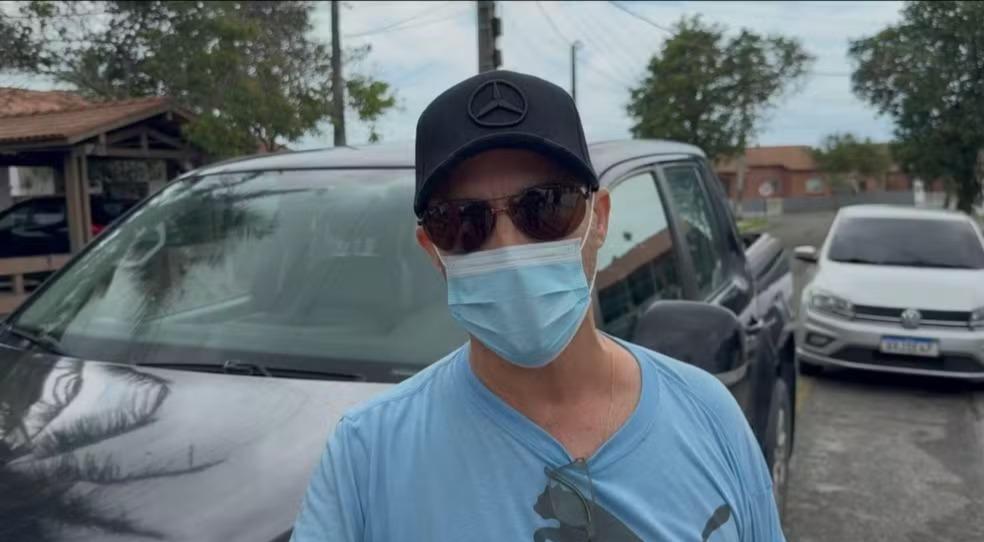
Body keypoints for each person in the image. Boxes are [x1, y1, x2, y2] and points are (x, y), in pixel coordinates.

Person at [291, 70, 785, 542]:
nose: (508, 246)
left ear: (599, 219)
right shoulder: (367, 456)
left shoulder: (709, 415)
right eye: (463, 221)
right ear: (431, 249)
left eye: (547, 205)